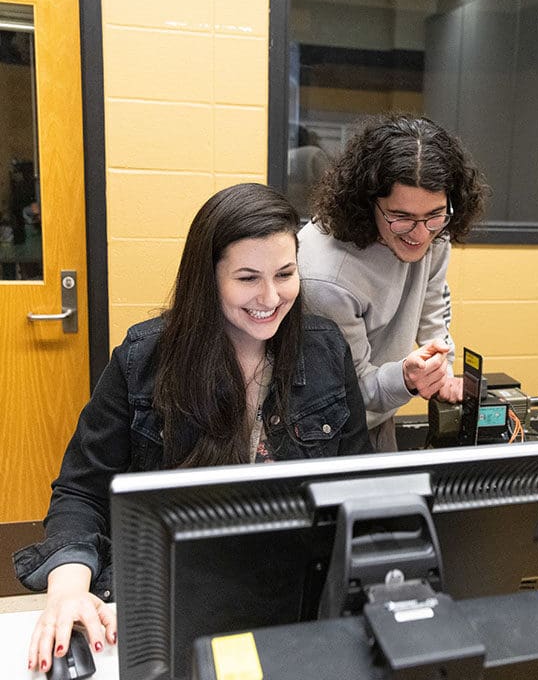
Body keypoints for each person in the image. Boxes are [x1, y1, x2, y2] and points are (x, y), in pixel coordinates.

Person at [13, 182, 372, 673]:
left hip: (297, 599)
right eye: (248, 278)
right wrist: (68, 589)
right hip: (172, 596)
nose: (271, 296)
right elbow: (82, 491)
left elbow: (362, 486)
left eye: (285, 274)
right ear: (209, 279)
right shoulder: (143, 360)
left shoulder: (326, 350)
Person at [298, 113, 489, 451]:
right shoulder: (327, 278)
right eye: (402, 217)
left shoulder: (434, 233)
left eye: (435, 215)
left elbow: (432, 308)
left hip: (379, 415)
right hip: (320, 428)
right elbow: (352, 386)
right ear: (367, 200)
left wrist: (440, 368)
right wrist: (407, 377)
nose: (421, 235)